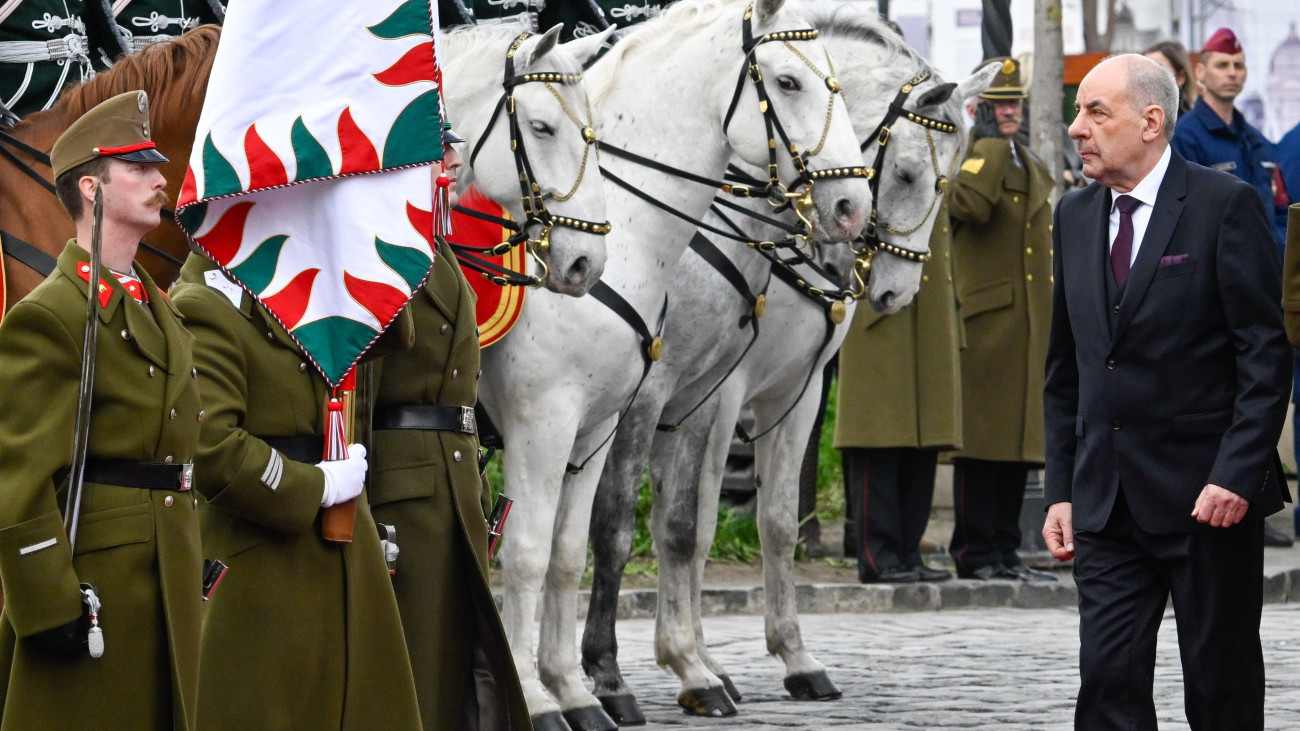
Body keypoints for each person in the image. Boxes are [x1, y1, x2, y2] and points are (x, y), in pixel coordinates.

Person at [1044, 53, 1291, 730]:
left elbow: (1264, 355)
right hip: (1105, 505)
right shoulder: (1073, 216)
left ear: (1151, 120)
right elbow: (1067, 370)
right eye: (1077, 112)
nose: (1077, 129)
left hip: (1207, 501)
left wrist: (1237, 473)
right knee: (1107, 683)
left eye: (1096, 111)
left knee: (1220, 686)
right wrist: (1062, 486)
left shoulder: (1223, 205)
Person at [169, 205, 423, 724]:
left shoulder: (294, 285)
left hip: (342, 554)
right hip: (268, 558)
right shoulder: (205, 302)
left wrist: (352, 240)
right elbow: (214, 444)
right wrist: (316, 486)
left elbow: (393, 334)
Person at [0, 91, 203, 728]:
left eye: (157, 166)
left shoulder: (161, 307)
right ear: (91, 188)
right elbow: (20, 480)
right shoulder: (50, 316)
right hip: (97, 582)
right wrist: (48, 603)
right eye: (137, 169)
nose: (158, 179)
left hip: (165, 572)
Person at [369, 125, 530, 730]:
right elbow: (359, 395)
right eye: (440, 151)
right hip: (402, 491)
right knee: (420, 668)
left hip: (453, 483)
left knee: (462, 660)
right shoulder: (383, 253)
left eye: (453, 150)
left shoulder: (439, 249)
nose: (455, 161)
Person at [945, 57, 1056, 582]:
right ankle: (974, 551)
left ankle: (1006, 551)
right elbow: (967, 207)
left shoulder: (1025, 161)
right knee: (982, 444)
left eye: (1014, 103)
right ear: (978, 109)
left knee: (1018, 445)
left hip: (1027, 324)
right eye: (998, 104)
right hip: (987, 323)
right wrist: (986, 143)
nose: (1009, 112)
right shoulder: (971, 155)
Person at [835, 197, 960, 584]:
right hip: (880, 313)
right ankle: (878, 556)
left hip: (929, 319)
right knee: (879, 444)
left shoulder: (933, 162)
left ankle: (908, 552)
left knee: (923, 443)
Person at [1173, 27, 1289, 250]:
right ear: (1200, 73)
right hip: (1219, 273)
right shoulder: (1184, 139)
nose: (1232, 73)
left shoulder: (1258, 142)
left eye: (1238, 65)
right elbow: (1182, 215)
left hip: (1268, 271)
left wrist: (1280, 248)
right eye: (1222, 65)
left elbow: (1282, 208)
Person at [1142, 39, 1196, 116]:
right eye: (1143, 69)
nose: (1148, 76)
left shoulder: (1190, 123)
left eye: (1159, 69)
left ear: (1181, 77)